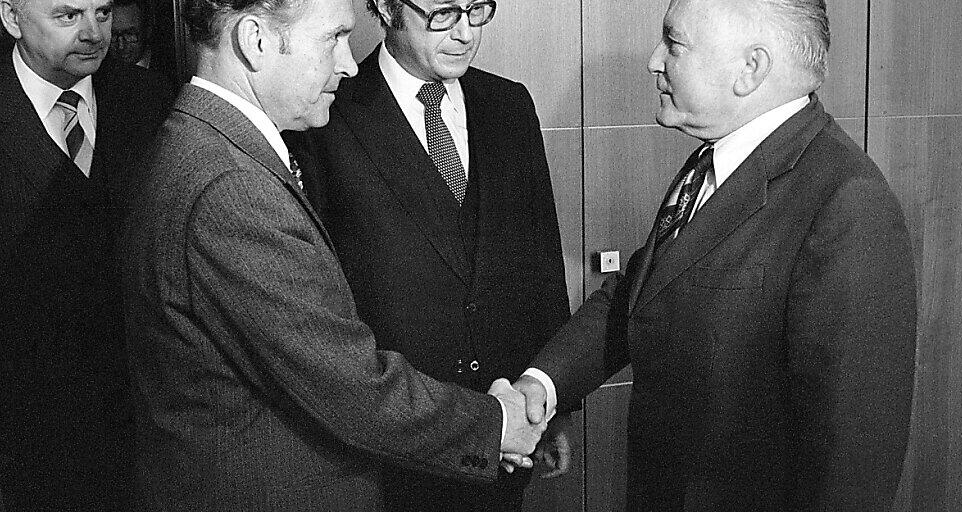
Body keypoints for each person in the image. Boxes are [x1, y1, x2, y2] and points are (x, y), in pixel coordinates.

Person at [121, 0, 546, 509]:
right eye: (333, 39)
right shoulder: (230, 189)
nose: (348, 63)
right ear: (255, 41)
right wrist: (496, 423)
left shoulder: (210, 150)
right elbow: (347, 383)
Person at [513, 0, 918, 510]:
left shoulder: (848, 204)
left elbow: (851, 470)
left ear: (750, 69)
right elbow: (642, 290)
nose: (654, 60)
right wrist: (542, 383)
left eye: (674, 43)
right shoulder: (716, 158)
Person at [287, 0, 572, 510]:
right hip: (390, 453)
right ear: (386, 8)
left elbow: (542, 266)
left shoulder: (508, 104)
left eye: (477, 9)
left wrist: (555, 407)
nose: (464, 33)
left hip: (504, 448)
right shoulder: (325, 113)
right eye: (442, 13)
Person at [0, 0, 172, 506]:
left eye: (102, 13)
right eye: (68, 16)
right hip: (31, 424)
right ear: (12, 18)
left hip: (145, 412)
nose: (94, 33)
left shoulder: (153, 100)